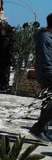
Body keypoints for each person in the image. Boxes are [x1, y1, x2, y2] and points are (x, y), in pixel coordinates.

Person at [30, 13, 52, 143]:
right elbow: (46, 62)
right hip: (47, 75)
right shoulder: (45, 38)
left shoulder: (48, 37)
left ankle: (42, 129)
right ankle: (38, 129)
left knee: (48, 103)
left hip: (47, 73)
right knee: (49, 104)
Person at [0, 25, 14, 91]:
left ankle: (5, 85)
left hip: (5, 57)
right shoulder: (3, 37)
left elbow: (4, 47)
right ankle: (3, 85)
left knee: (5, 72)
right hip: (2, 56)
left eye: (2, 30)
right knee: (3, 71)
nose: (1, 31)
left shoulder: (7, 38)